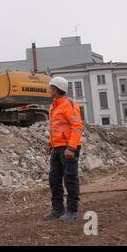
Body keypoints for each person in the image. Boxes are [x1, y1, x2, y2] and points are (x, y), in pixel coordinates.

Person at [43, 76, 83, 222]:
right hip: (57, 148)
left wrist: (71, 148)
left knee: (70, 179)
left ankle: (72, 211)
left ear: (57, 90)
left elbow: (77, 127)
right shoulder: (53, 106)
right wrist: (50, 144)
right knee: (54, 179)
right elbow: (56, 128)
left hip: (69, 149)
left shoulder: (69, 104)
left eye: (51, 88)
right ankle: (57, 209)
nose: (49, 90)